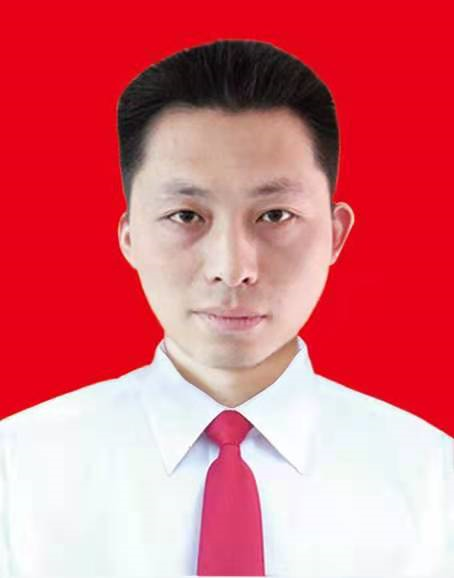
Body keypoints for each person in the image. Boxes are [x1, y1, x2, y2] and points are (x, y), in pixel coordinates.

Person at [0, 38, 452, 578]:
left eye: (275, 215)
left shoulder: (435, 480)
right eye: (186, 216)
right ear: (129, 235)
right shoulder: (18, 472)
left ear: (336, 235)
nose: (232, 268)